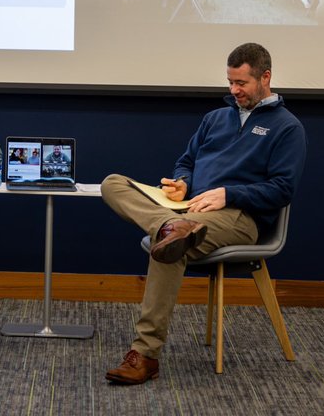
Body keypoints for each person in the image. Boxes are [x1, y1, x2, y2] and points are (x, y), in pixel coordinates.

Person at [100, 42, 306, 384]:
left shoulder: (288, 128)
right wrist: (182, 183)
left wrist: (229, 194)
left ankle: (145, 355)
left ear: (265, 77)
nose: (233, 90)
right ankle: (171, 227)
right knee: (112, 183)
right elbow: (186, 162)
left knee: (167, 247)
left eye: (241, 83)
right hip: (186, 210)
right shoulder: (215, 119)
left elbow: (282, 189)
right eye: (230, 82)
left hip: (239, 218)